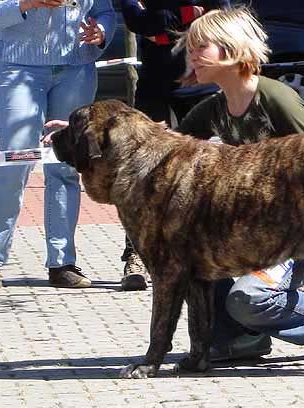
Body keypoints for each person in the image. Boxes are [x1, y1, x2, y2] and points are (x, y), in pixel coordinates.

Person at [177, 7, 304, 361]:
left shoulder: (277, 99)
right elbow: (167, 150)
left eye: (200, 46)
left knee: (248, 299)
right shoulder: (214, 107)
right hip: (253, 235)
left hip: (301, 235)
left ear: (231, 48)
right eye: (190, 47)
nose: (191, 55)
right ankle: (243, 340)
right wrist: (99, 136)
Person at [0, 0, 115, 292]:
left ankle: (62, 263)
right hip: (18, 66)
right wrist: (26, 3)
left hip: (77, 69)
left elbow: (104, 11)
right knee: (13, 164)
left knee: (66, 167)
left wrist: (102, 33)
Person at [119, 0, 230, 291]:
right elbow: (137, 21)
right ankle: (136, 254)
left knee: (208, 170)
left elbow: (221, 14)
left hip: (200, 81)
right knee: (143, 171)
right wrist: (185, 16)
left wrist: (164, 28)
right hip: (154, 79)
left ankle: (208, 249)